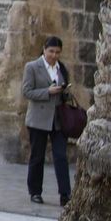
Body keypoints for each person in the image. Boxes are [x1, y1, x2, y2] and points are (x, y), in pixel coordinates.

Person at [22, 35, 74, 206]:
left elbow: (65, 91)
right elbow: (27, 91)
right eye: (51, 51)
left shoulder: (62, 68)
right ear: (44, 50)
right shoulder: (32, 67)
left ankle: (65, 194)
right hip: (39, 118)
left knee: (60, 156)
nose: (54, 55)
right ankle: (35, 191)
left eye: (57, 52)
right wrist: (47, 92)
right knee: (37, 156)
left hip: (58, 119)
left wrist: (65, 92)